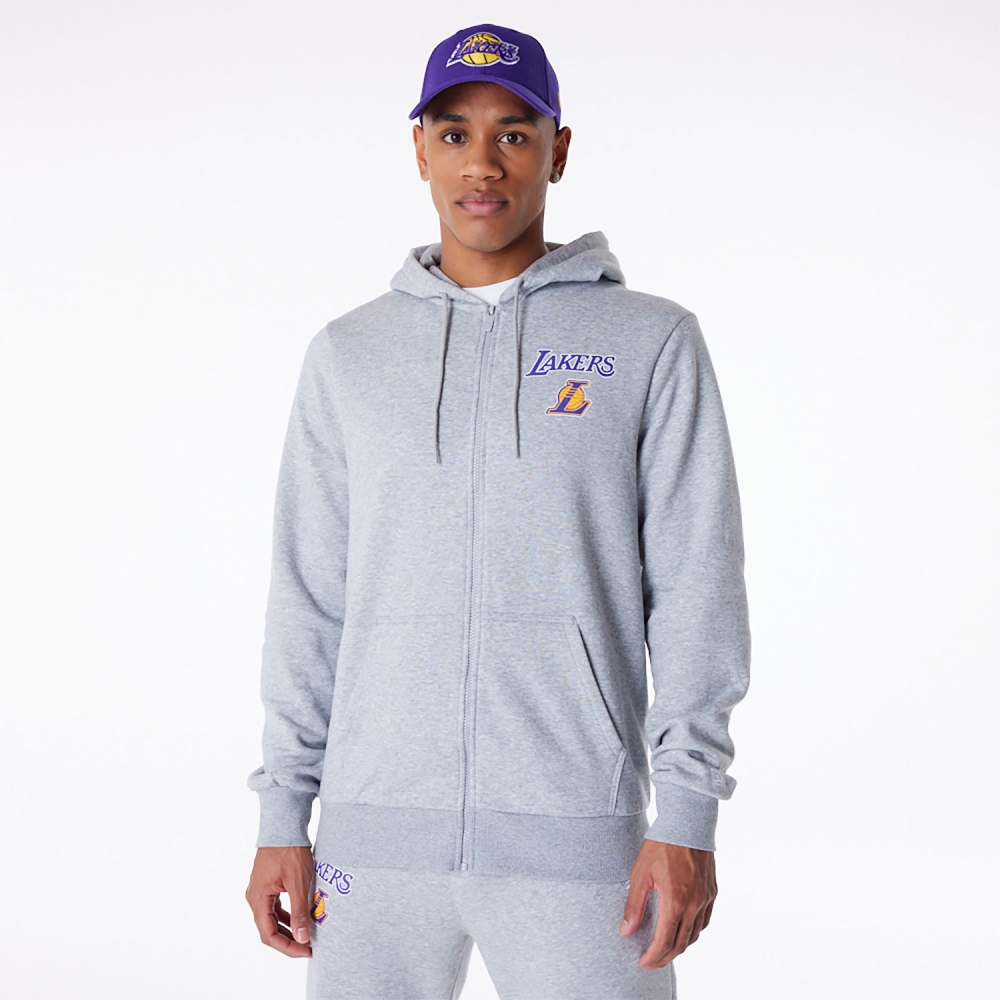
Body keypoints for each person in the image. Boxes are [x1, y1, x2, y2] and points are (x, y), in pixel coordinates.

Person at [244, 22, 751, 1000]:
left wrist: (687, 814)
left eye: (514, 133)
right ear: (419, 150)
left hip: (581, 842)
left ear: (558, 150)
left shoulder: (649, 343)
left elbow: (697, 591)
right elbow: (308, 599)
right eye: (454, 133)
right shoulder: (348, 356)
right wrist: (282, 815)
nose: (482, 163)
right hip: (369, 847)